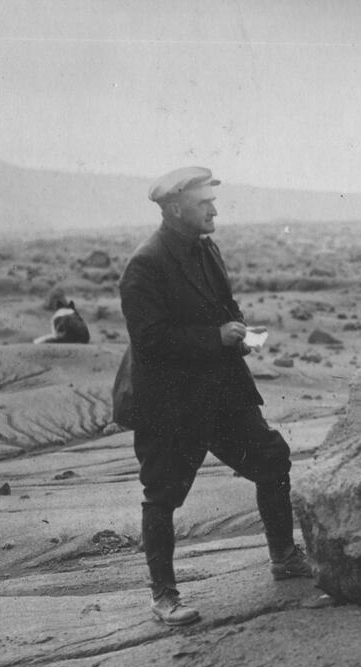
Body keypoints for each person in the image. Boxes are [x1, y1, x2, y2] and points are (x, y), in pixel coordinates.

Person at [115, 166, 313, 626]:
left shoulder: (206, 249)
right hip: (170, 403)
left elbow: (225, 307)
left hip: (221, 392)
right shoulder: (145, 264)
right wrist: (214, 337)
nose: (214, 208)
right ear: (176, 207)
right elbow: (149, 342)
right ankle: (164, 597)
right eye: (205, 202)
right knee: (162, 495)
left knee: (271, 458)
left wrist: (238, 332)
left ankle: (284, 556)